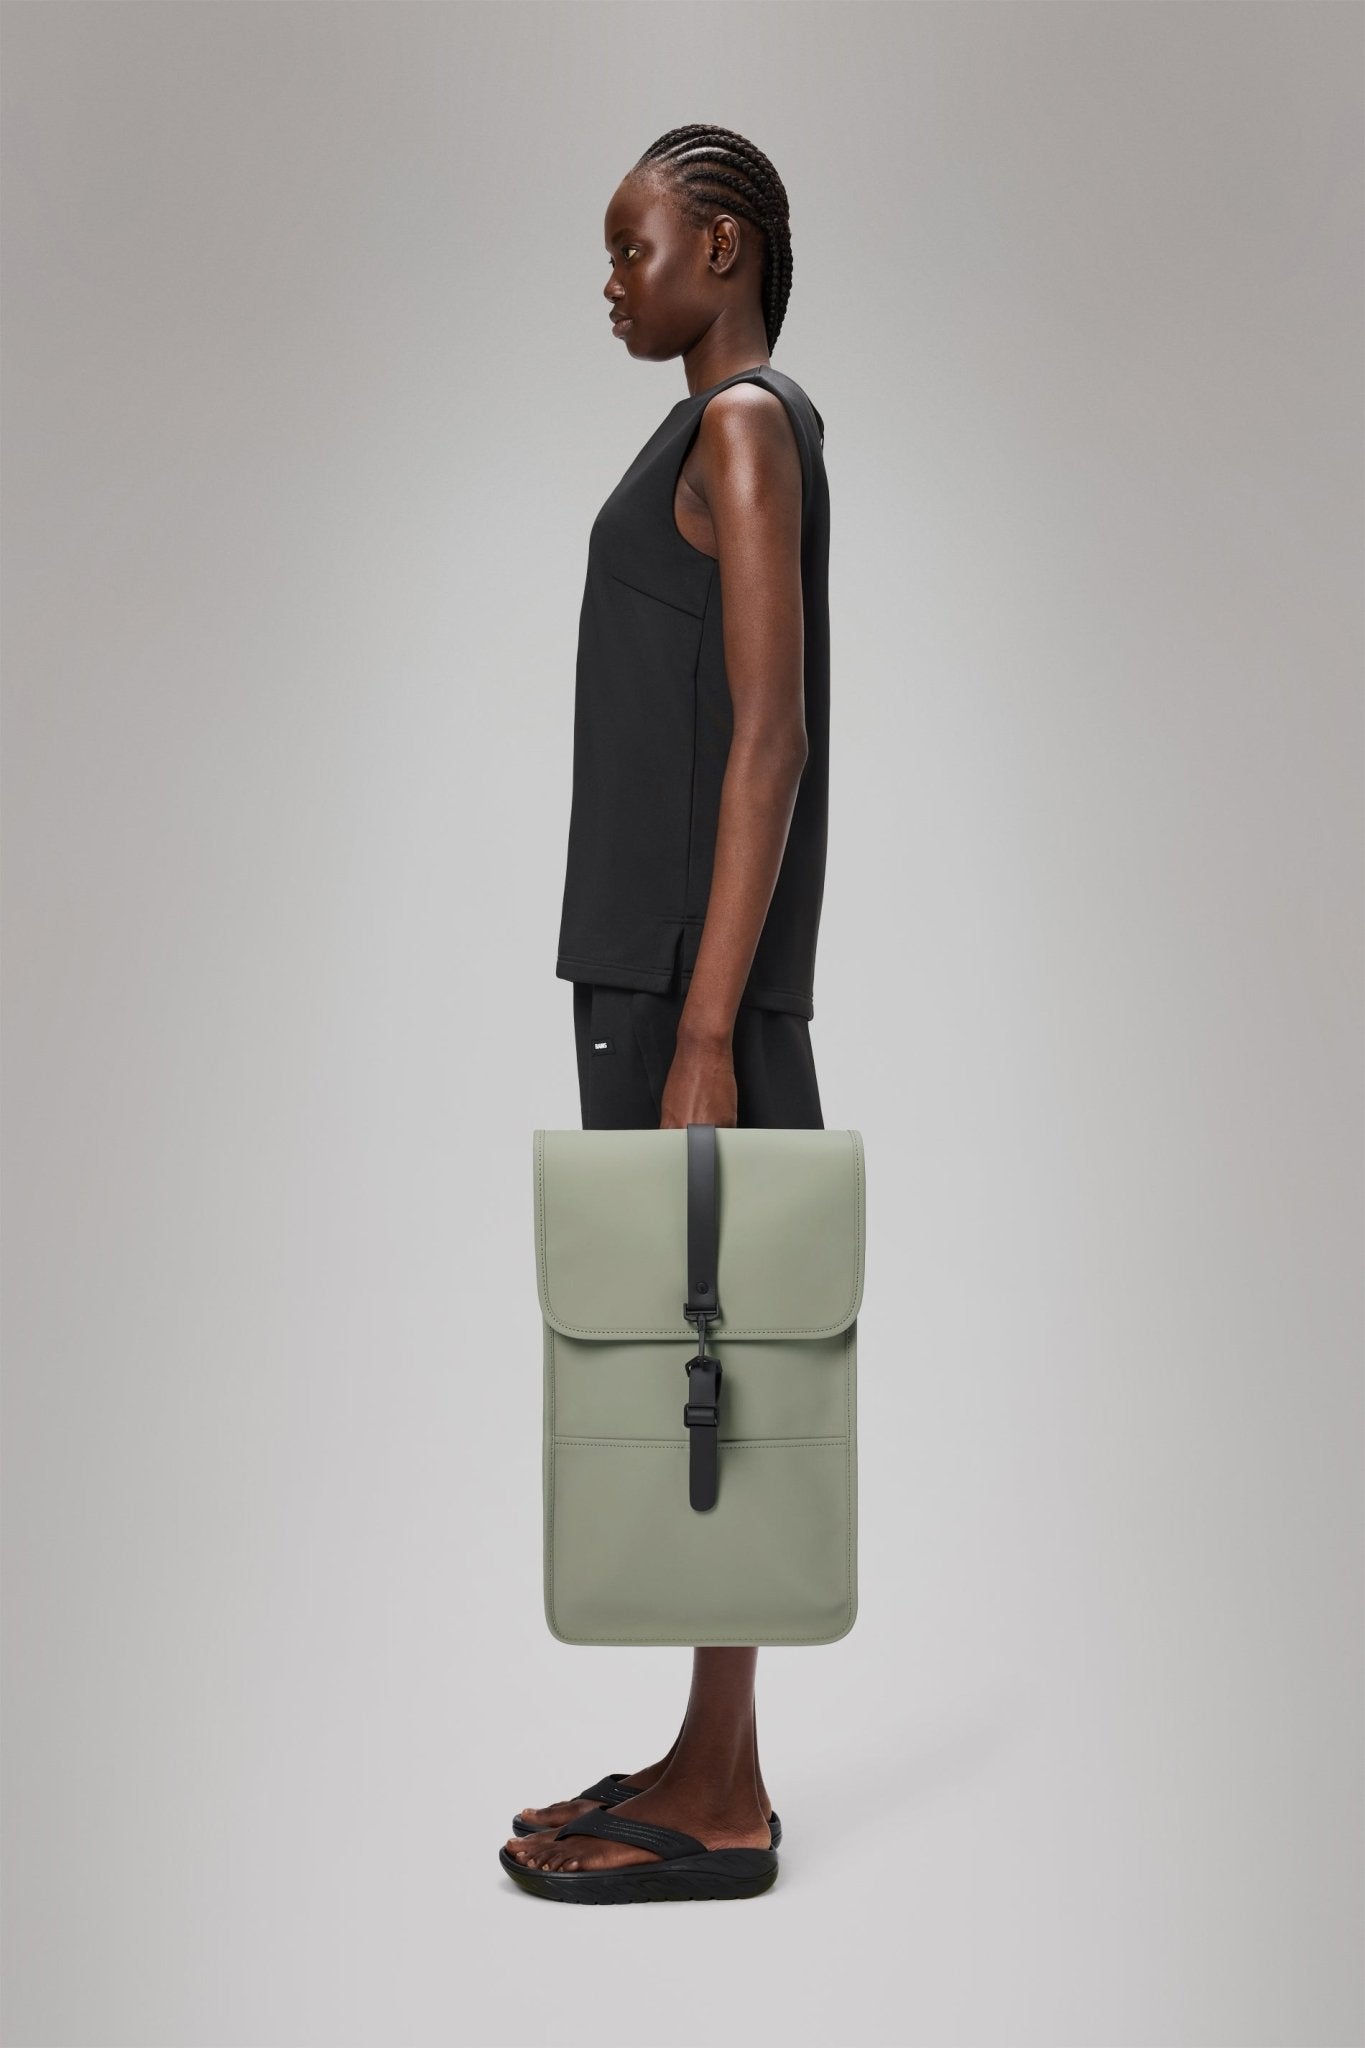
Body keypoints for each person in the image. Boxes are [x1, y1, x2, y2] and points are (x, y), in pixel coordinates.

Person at [502, 123, 831, 1903]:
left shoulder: (744, 426)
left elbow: (769, 734)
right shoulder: (722, 428)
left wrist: (705, 1029)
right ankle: (714, 1755)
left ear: (721, 248)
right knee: (696, 1356)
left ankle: (722, 1797)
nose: (613, 285)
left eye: (632, 249)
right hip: (660, 965)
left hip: (687, 976)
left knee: (715, 1360)